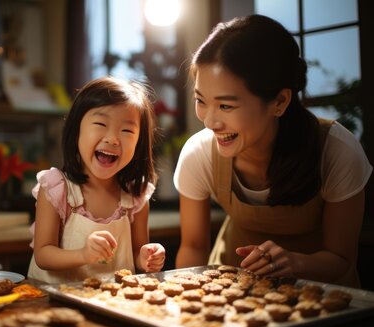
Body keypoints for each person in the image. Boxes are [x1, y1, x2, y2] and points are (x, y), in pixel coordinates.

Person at [173, 14, 372, 287]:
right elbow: (194, 247)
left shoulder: (336, 150)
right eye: (201, 100)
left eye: (226, 106)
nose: (209, 121)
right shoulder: (200, 152)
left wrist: (295, 263)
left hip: (324, 297)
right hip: (232, 294)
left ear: (279, 101)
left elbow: (341, 258)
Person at [28, 76, 166, 284]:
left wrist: (147, 257)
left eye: (127, 130)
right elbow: (43, 255)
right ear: (77, 131)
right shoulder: (57, 188)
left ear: (139, 143)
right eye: (101, 123)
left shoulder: (135, 196)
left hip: (113, 303)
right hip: (55, 302)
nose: (112, 138)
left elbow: (138, 253)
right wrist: (83, 254)